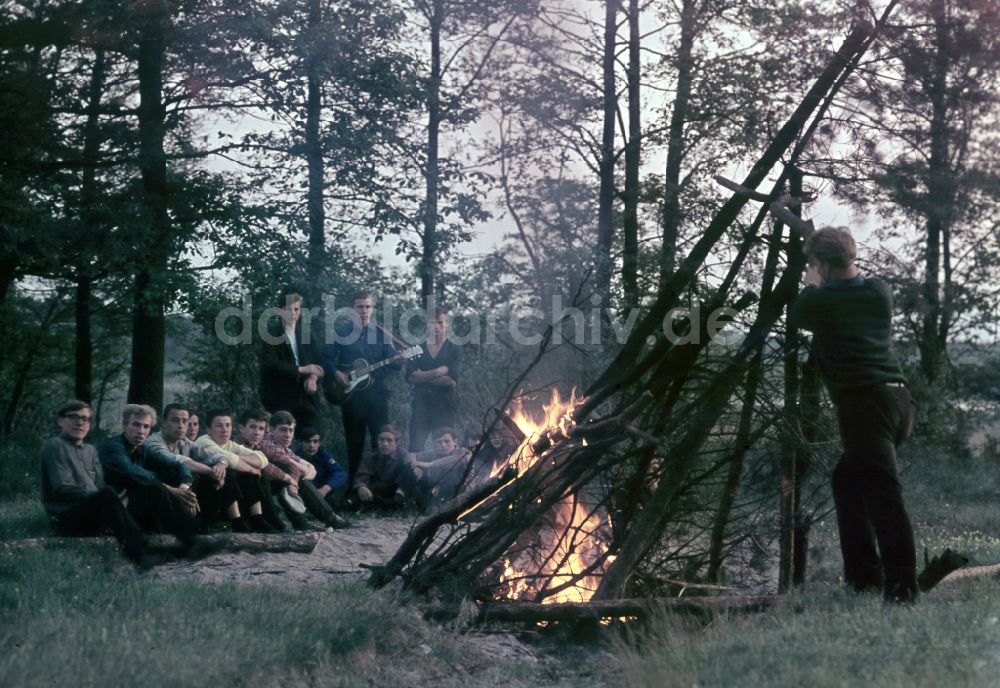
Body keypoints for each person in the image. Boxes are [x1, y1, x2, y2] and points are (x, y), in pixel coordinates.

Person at [788, 226, 918, 603]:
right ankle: (864, 578)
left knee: (884, 497)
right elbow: (847, 287)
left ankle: (902, 591)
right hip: (899, 403)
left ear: (824, 265)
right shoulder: (879, 291)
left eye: (815, 264)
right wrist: (823, 268)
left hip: (865, 407)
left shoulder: (822, 301)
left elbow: (797, 316)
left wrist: (811, 283)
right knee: (848, 482)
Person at [92, 403, 209, 559]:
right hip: (112, 511)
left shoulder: (142, 449)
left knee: (171, 473)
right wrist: (170, 489)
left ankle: (183, 537)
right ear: (125, 426)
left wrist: (184, 486)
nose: (141, 431)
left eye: (146, 427)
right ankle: (190, 539)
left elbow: (178, 463)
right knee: (157, 489)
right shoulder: (112, 447)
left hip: (132, 503)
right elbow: (130, 472)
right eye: (136, 425)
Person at [41, 400, 149, 565]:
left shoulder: (90, 450)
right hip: (66, 517)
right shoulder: (55, 446)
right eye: (74, 417)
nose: (80, 422)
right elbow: (63, 488)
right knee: (107, 494)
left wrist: (113, 499)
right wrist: (104, 497)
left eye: (85, 419)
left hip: (90, 514)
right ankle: (136, 550)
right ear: (61, 421)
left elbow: (99, 486)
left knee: (141, 491)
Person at [323, 291, 403, 483]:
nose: (364, 310)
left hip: (377, 397)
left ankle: (380, 488)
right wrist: (337, 373)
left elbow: (391, 363)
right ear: (352, 309)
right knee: (355, 443)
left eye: (368, 306)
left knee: (382, 441)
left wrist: (399, 361)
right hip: (352, 397)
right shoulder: (342, 332)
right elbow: (326, 357)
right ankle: (354, 488)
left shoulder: (382, 333)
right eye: (360, 306)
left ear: (373, 309)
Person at [145, 403, 257, 532]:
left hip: (185, 489)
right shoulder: (153, 442)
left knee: (224, 473)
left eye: (184, 421)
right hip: (164, 492)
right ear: (164, 422)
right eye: (175, 420)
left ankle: (220, 523)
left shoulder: (185, 442)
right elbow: (180, 461)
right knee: (175, 471)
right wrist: (211, 471)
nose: (181, 426)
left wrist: (221, 464)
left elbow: (217, 455)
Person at [195, 409, 286, 532]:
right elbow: (229, 459)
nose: (225, 429)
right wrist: (250, 468)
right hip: (204, 499)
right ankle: (236, 521)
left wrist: (241, 461)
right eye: (219, 425)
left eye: (228, 425)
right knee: (231, 471)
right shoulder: (203, 441)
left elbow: (262, 458)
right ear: (209, 429)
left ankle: (257, 519)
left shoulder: (230, 445)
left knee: (248, 474)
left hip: (223, 496)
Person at [260, 411, 350, 529]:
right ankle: (329, 518)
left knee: (296, 481)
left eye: (291, 430)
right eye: (283, 430)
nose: (287, 434)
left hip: (277, 484)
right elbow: (297, 468)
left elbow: (307, 468)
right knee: (298, 480)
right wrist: (299, 476)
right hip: (263, 487)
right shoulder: (268, 445)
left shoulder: (283, 447)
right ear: (271, 429)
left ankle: (305, 524)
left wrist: (308, 470)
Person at [259, 289, 325, 431]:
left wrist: (313, 378)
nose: (293, 313)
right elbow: (270, 365)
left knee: (310, 438)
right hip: (280, 397)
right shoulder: (271, 334)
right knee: (282, 440)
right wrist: (302, 369)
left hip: (306, 397)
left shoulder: (307, 334)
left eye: (296, 309)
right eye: (289, 309)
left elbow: (320, 362)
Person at [406, 307, 461, 452]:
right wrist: (437, 372)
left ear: (447, 324)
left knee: (446, 449)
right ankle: (417, 475)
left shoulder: (454, 349)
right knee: (416, 447)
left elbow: (450, 381)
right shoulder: (417, 348)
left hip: (444, 407)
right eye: (432, 323)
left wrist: (422, 376)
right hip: (420, 406)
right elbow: (411, 377)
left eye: (440, 322)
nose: (436, 327)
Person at [352, 424, 417, 510]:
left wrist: (416, 467)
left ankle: (397, 502)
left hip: (397, 491)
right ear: (377, 441)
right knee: (351, 502)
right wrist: (361, 487)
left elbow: (412, 467)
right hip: (379, 489)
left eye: (389, 440)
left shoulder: (403, 455)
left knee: (410, 472)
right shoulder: (371, 456)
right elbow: (362, 477)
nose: (385, 444)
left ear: (397, 443)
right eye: (381, 440)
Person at [410, 426, 472, 511]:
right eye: (439, 442)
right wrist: (415, 466)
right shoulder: (436, 451)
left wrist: (426, 464)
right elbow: (411, 455)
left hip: (461, 494)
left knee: (451, 472)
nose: (443, 445)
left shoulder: (464, 452)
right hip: (436, 490)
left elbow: (448, 461)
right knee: (410, 473)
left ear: (455, 441)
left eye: (447, 441)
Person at [296, 426, 350, 511]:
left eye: (315, 441)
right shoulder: (295, 456)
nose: (311, 445)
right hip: (302, 493)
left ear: (319, 443)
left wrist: (326, 488)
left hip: (321, 493)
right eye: (307, 441)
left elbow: (340, 473)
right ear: (300, 443)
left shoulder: (324, 455)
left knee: (333, 501)